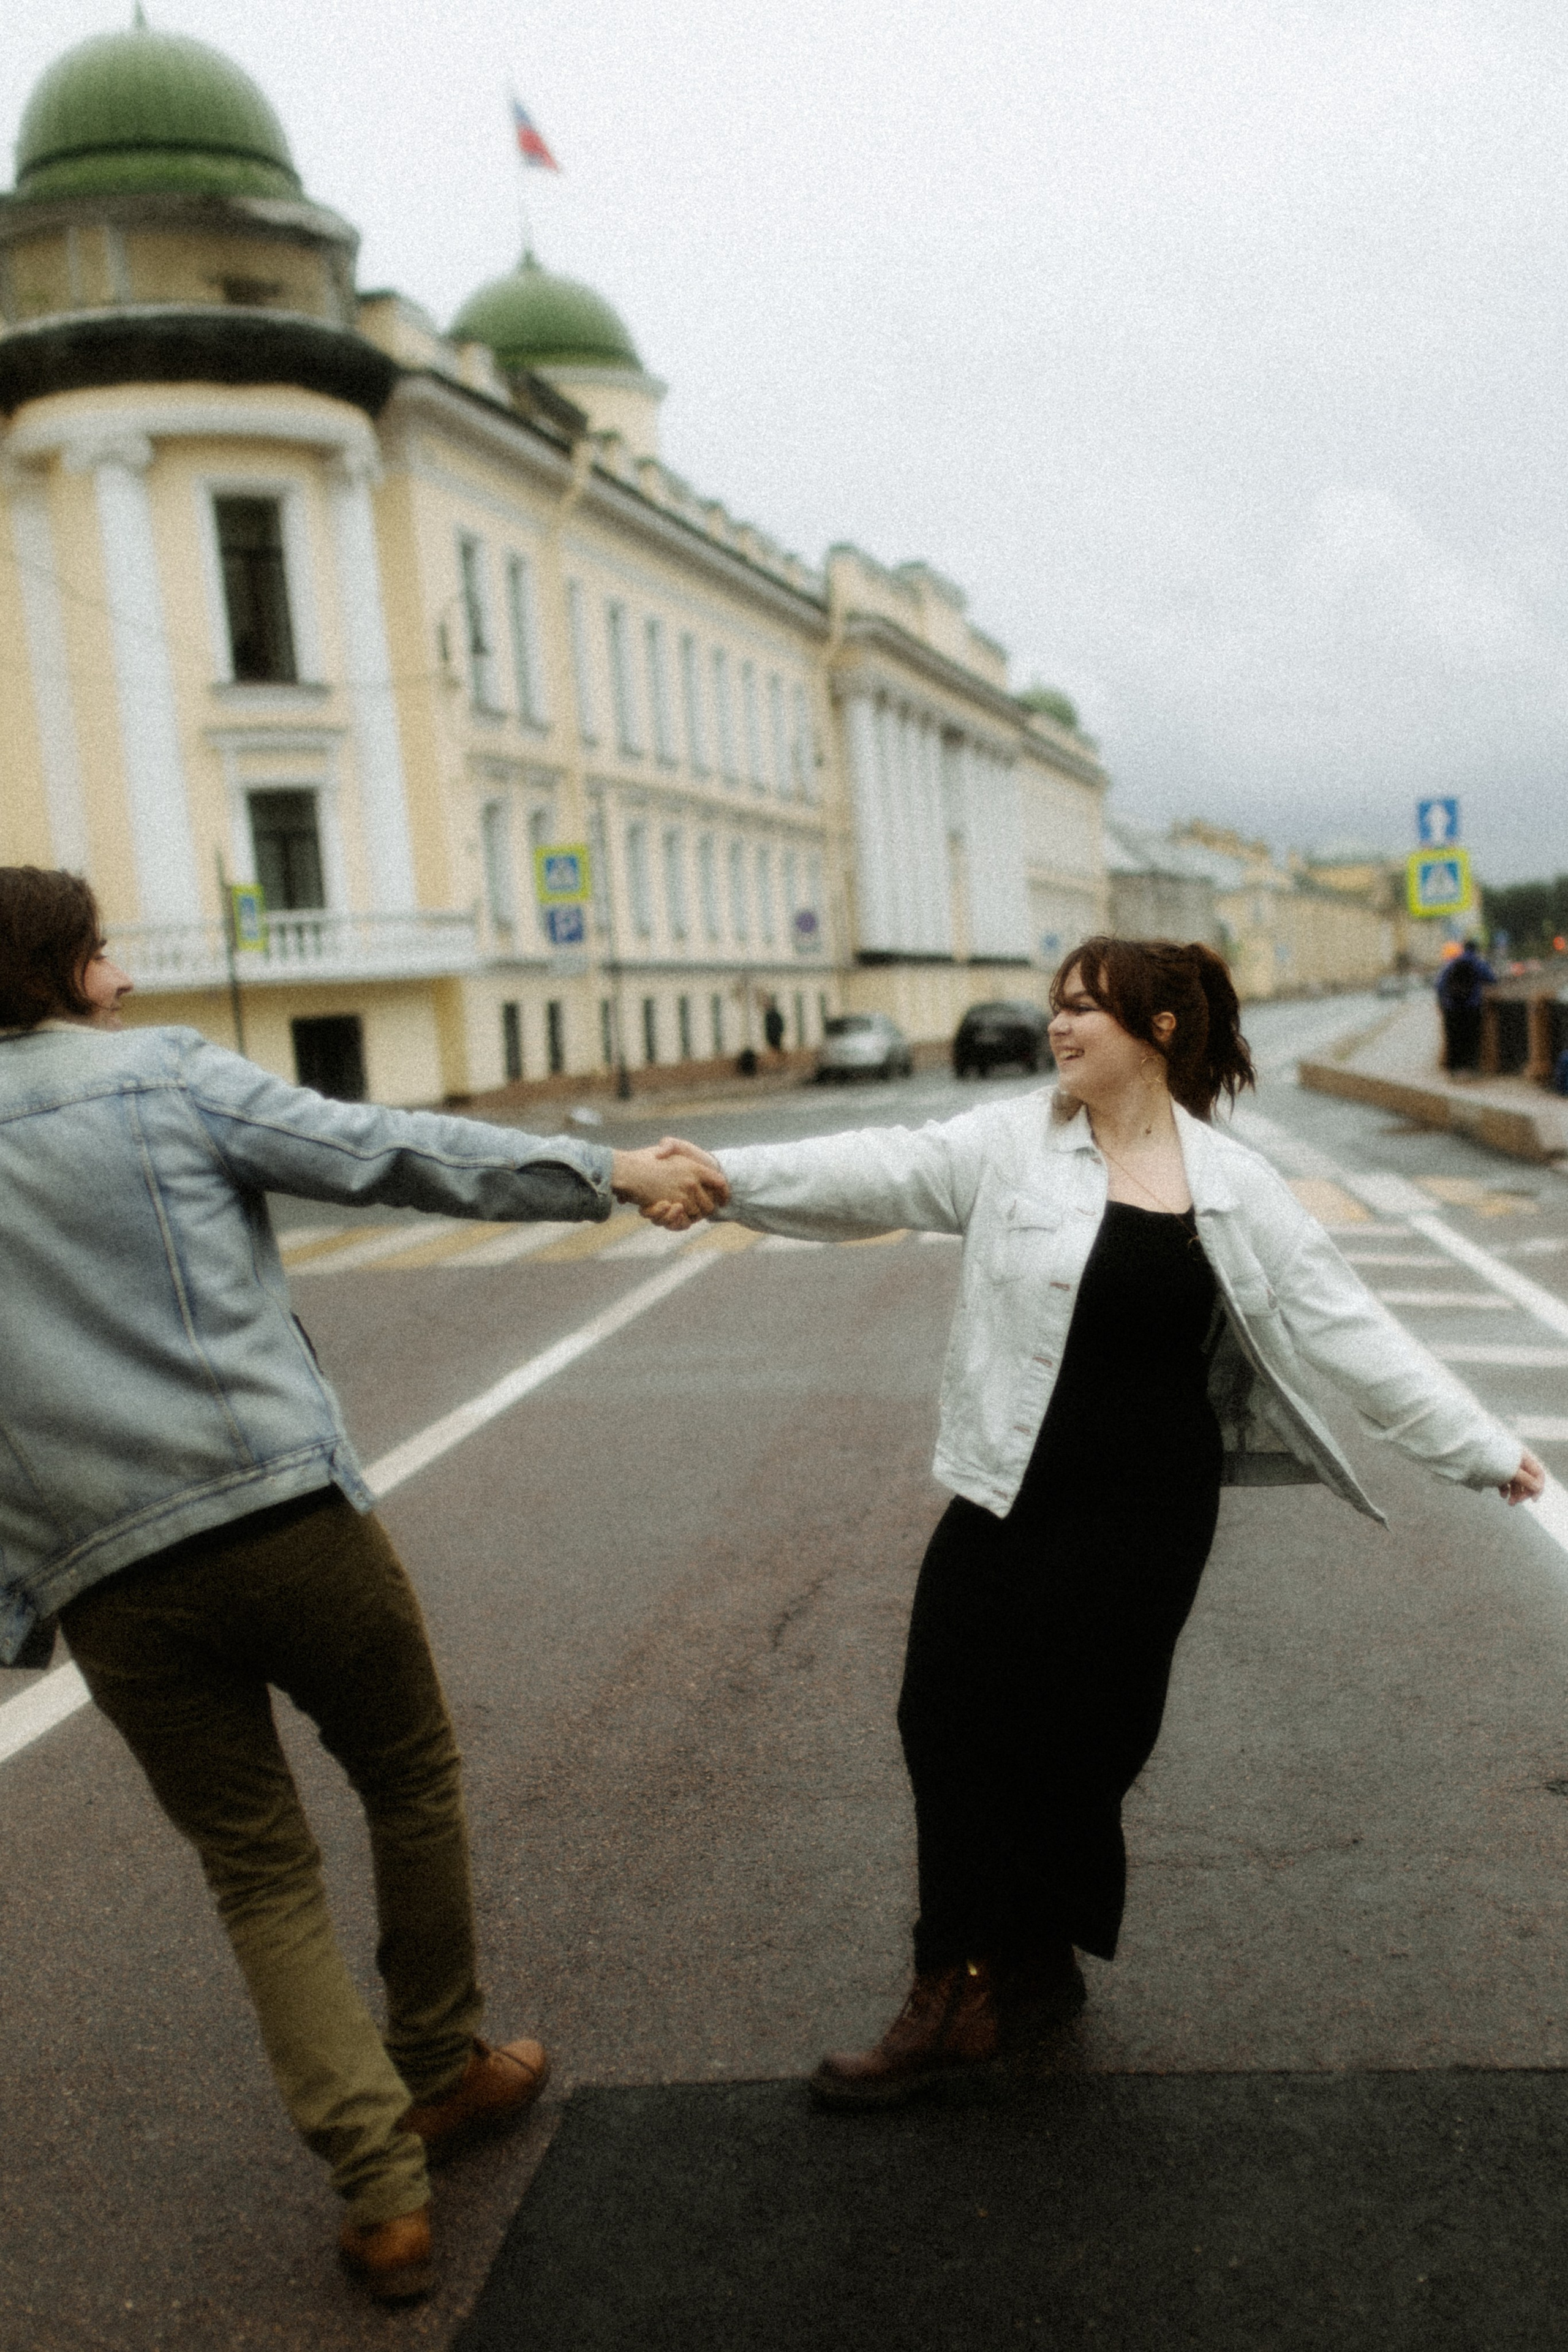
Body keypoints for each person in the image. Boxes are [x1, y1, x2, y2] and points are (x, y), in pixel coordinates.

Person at [644, 936, 1543, 2107]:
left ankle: (1037, 1953)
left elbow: (1348, 1327)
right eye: (1055, 1007)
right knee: (947, 1716)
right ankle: (951, 1991)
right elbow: (874, 1167)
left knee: (1086, 1745)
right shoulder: (1010, 1145)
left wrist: (1480, 1448)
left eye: (1086, 1010)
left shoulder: (1231, 1181)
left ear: (1159, 1032)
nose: (1059, 1026)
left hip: (1146, 1514)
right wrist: (721, 1176)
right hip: (1012, 1484)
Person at [0, 867, 726, 2302]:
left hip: (104, 1571)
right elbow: (384, 1149)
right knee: (405, 1767)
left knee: (256, 1865)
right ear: (57, 968)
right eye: (101, 956)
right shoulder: (158, 1074)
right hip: (279, 1510)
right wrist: (606, 1172)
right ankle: (442, 2061)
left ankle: (380, 2194)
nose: (126, 982)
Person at [1436, 937, 1495, 1075]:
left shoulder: (1452, 963)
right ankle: (1471, 1068)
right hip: (1471, 1006)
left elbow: (1440, 985)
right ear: (1476, 949)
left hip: (1452, 1007)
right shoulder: (1478, 963)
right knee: (1472, 1038)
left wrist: (1442, 1003)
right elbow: (1492, 979)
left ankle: (1453, 1069)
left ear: (1463, 949)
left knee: (1454, 1038)